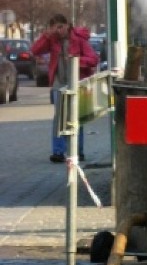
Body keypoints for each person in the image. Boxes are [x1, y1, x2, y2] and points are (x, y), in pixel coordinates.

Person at [31, 14, 99, 163]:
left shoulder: (78, 39)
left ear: (67, 25)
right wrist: (46, 35)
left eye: (61, 27)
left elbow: (94, 59)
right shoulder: (52, 40)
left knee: (75, 117)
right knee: (59, 118)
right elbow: (35, 50)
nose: (59, 31)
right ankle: (58, 151)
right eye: (55, 28)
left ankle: (77, 151)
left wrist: (77, 60)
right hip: (58, 83)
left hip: (76, 82)